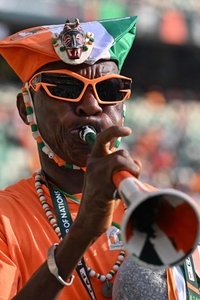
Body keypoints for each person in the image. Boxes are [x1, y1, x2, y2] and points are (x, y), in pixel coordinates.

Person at [0, 15, 198, 300]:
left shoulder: (168, 214)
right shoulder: (5, 219)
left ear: (122, 106)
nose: (91, 105)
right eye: (66, 89)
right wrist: (80, 236)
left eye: (108, 90)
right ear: (25, 107)